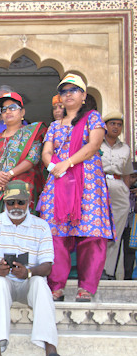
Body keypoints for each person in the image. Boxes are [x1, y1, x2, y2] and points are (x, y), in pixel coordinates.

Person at [39, 74, 113, 302]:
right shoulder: (53, 125)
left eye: (73, 90)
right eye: (63, 91)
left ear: (83, 96)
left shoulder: (93, 118)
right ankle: (56, 286)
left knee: (91, 234)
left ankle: (86, 288)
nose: (68, 94)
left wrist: (67, 163)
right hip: (58, 182)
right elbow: (46, 153)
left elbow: (93, 146)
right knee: (56, 235)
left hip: (88, 183)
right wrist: (54, 167)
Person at [0, 181, 68, 356]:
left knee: (40, 283)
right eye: (11, 203)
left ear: (29, 202)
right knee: (1, 283)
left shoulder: (41, 226)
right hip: (3, 282)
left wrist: (28, 272)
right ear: (5, 202)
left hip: (29, 281)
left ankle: (51, 350)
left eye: (21, 202)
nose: (16, 207)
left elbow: (47, 267)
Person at [0, 92, 47, 216]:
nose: (8, 111)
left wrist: (8, 175)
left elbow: (33, 158)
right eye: (4, 109)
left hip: (24, 189)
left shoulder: (31, 133)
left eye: (12, 108)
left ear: (22, 112)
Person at [100, 112, 133, 280]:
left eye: (119, 124)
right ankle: (96, 270)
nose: (115, 127)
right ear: (105, 126)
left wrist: (125, 192)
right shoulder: (97, 143)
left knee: (116, 234)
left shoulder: (126, 148)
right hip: (100, 187)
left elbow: (127, 173)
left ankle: (108, 271)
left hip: (119, 189)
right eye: (112, 123)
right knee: (99, 232)